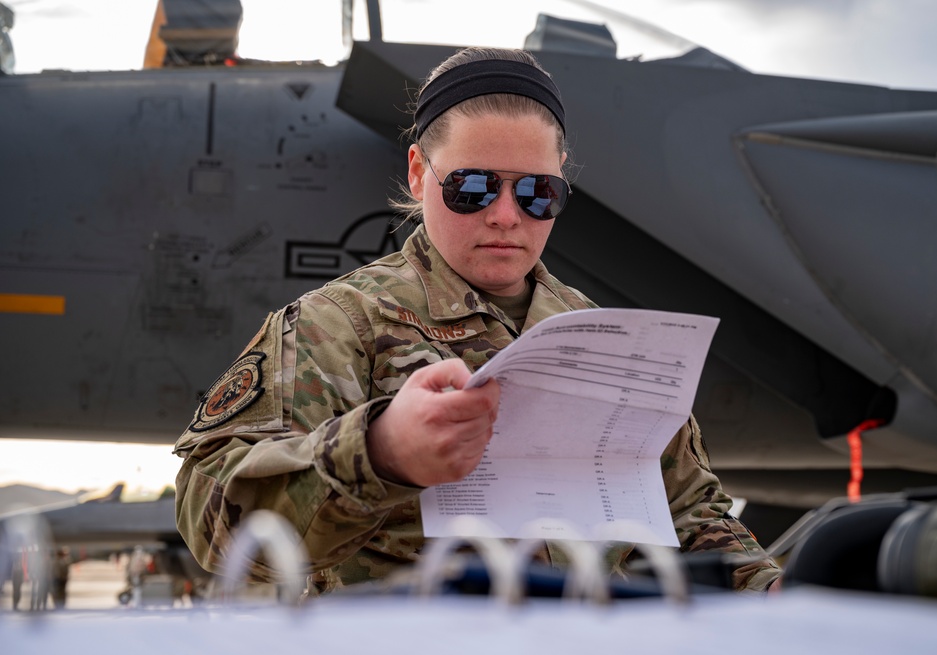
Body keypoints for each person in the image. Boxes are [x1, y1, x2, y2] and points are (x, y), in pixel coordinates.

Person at [173, 46, 781, 593]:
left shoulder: (605, 337)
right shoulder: (335, 326)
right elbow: (213, 526)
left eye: (537, 192)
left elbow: (693, 514)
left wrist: (772, 594)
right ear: (418, 172)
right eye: (472, 188)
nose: (505, 216)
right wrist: (379, 453)